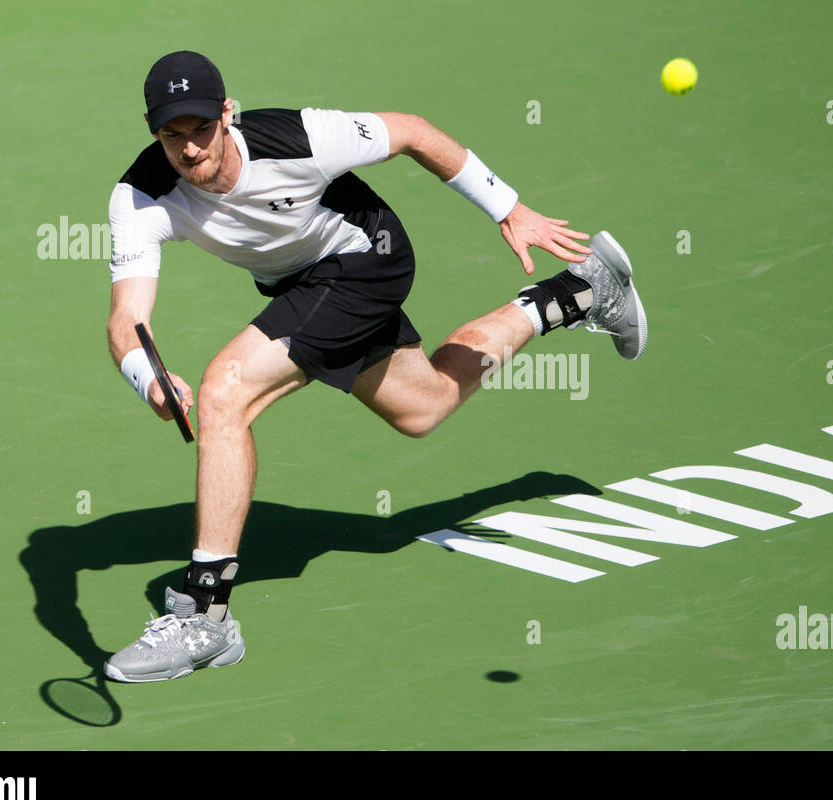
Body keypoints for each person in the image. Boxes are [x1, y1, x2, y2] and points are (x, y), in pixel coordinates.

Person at [103, 51, 647, 682]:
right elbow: (125, 321)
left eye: (202, 128)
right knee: (426, 406)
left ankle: (205, 614)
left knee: (226, 389)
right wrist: (149, 378)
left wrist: (510, 209)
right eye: (172, 134)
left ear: (229, 114)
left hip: (364, 259)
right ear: (152, 128)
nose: (190, 148)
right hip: (297, 285)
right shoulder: (140, 196)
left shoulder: (299, 139)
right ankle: (580, 292)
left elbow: (412, 131)